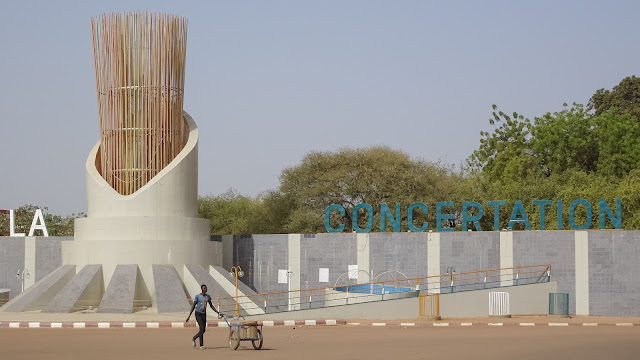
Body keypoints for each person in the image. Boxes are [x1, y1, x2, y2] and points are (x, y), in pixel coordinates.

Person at [186, 284, 222, 349]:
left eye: (206, 288)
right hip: (198, 314)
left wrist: (218, 313)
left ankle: (194, 338)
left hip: (203, 314)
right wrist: (189, 315)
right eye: (204, 288)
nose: (205, 289)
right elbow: (193, 306)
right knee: (202, 328)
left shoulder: (208, 297)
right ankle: (201, 345)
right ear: (202, 289)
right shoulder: (198, 296)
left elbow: (211, 306)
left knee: (203, 330)